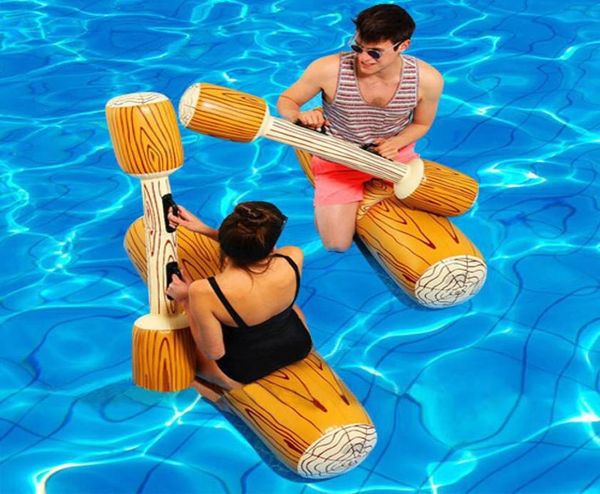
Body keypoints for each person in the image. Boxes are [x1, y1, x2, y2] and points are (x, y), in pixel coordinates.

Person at [277, 4, 444, 252]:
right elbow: (287, 101)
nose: (363, 58)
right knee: (337, 245)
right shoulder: (328, 69)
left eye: (375, 53)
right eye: (358, 48)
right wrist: (298, 117)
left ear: (403, 46)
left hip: (393, 155)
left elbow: (421, 124)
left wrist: (396, 143)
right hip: (338, 157)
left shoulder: (428, 80)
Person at [166, 201, 312, 392]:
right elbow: (261, 251)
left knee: (180, 351)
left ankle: (220, 389)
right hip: (298, 345)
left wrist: (186, 299)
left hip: (247, 369)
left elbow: (213, 352)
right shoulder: (293, 256)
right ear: (272, 244)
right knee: (290, 305)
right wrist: (206, 230)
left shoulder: (203, 290)